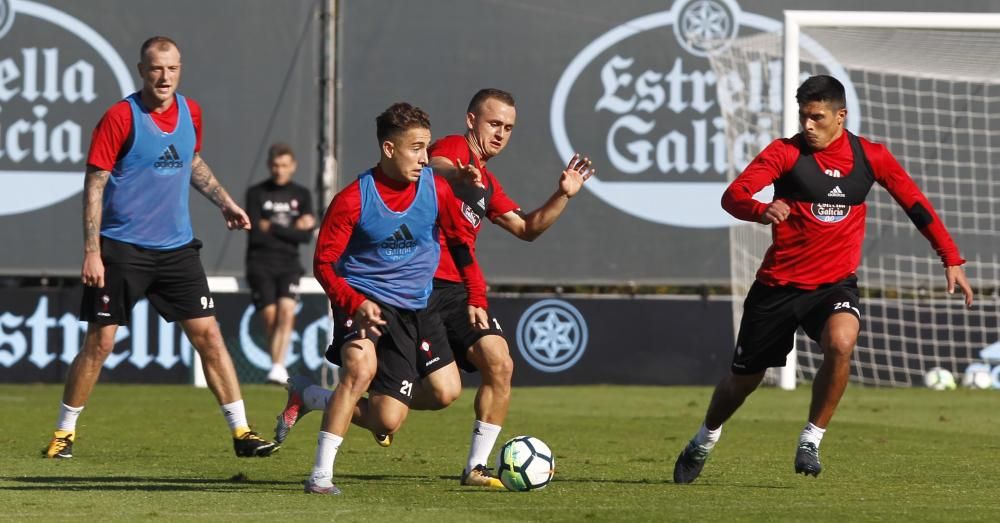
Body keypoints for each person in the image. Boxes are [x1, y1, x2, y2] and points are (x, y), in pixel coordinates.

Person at [276, 88, 594, 488]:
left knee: (467, 380)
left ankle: (470, 466)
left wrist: (563, 195)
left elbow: (526, 228)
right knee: (365, 372)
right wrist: (453, 173)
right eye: (494, 123)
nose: (500, 134)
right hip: (412, 288)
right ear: (471, 120)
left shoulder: (484, 184)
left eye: (509, 128)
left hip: (441, 292)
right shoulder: (447, 153)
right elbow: (437, 164)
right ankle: (324, 467)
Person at [672, 75, 974, 483]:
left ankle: (811, 438)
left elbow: (915, 204)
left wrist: (950, 257)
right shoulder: (785, 153)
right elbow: (733, 195)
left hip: (834, 285)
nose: (808, 125)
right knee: (744, 381)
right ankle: (704, 439)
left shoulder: (871, 157)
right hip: (778, 286)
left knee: (842, 341)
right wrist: (760, 210)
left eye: (817, 117)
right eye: (803, 117)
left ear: (840, 116)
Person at [44, 36, 277, 460]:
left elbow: (190, 160)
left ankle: (242, 431)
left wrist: (224, 201)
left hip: (177, 251)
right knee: (100, 343)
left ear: (180, 69)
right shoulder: (119, 117)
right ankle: (64, 434)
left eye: (171, 68)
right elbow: (94, 186)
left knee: (209, 335)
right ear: (141, 70)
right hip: (121, 250)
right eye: (155, 68)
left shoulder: (192, 112)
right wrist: (92, 250)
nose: (164, 76)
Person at [304, 102, 486, 495]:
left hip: (415, 306)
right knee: (359, 368)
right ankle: (320, 476)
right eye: (416, 148)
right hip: (363, 299)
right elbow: (323, 263)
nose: (425, 158)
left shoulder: (435, 190)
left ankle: (310, 396)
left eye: (426, 147)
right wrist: (353, 302)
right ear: (389, 149)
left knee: (426, 401)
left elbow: (460, 245)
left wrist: (477, 296)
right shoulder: (353, 199)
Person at [245, 143, 316, 384]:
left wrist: (272, 227)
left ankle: (277, 367)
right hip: (260, 263)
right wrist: (292, 228)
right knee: (270, 316)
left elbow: (306, 236)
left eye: (285, 165)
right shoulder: (256, 193)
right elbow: (255, 233)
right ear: (269, 166)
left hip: (289, 264)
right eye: (276, 165)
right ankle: (277, 364)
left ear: (293, 166)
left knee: (287, 312)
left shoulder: (302, 195)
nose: (280, 170)